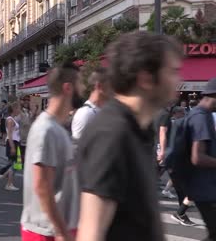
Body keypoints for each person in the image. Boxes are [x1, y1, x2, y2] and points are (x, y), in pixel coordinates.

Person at [76, 31, 182, 241]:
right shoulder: (112, 133)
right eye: (172, 71)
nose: (178, 79)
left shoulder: (137, 129)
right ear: (146, 77)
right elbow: (91, 233)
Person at [21, 64, 84, 241]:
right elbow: (42, 186)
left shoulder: (57, 128)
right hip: (45, 232)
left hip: (55, 229)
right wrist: (61, 231)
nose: (84, 89)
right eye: (81, 84)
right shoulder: (46, 129)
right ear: (68, 88)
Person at [184, 77, 216, 239]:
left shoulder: (205, 115)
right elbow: (198, 157)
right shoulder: (200, 117)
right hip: (205, 189)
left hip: (207, 187)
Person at [165, 106, 196, 226]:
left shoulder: (177, 124)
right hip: (177, 163)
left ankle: (181, 214)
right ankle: (180, 213)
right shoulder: (182, 125)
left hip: (174, 162)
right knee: (191, 191)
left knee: (182, 192)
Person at [71, 67, 110, 142]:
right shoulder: (85, 114)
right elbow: (77, 150)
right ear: (99, 86)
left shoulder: (102, 111)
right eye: (111, 86)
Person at [0, 102, 21, 191]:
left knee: (14, 163)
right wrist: (12, 147)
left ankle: (4, 176)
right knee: (15, 163)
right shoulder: (10, 120)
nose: (19, 110)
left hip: (15, 142)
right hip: (12, 142)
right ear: (14, 109)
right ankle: (9, 184)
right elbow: (10, 134)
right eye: (18, 108)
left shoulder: (12, 119)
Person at [19, 95, 39, 166]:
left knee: (25, 161)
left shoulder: (29, 112)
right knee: (18, 161)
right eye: (25, 100)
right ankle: (6, 172)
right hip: (21, 138)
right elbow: (25, 122)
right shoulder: (20, 112)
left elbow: (32, 121)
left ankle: (8, 172)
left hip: (29, 138)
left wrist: (35, 111)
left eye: (28, 100)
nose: (26, 102)